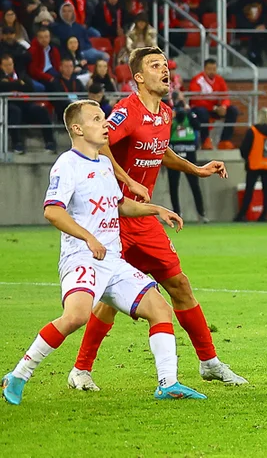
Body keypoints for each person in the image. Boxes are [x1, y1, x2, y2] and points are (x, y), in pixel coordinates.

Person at [66, 47, 246, 392]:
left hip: (144, 219)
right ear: (138, 77)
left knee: (179, 285)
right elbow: (100, 144)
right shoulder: (124, 112)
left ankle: (209, 363)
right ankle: (80, 369)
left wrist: (196, 168)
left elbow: (160, 149)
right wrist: (128, 180)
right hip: (114, 216)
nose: (164, 70)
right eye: (154, 66)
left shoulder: (164, 113)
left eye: (165, 65)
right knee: (107, 299)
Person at [2, 100, 205, 405]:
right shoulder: (67, 165)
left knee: (160, 310)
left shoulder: (105, 164)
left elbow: (119, 205)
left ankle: (168, 383)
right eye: (97, 119)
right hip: (82, 257)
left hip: (112, 260)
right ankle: (19, 374)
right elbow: (52, 212)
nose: (105, 124)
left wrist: (156, 210)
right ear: (77, 129)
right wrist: (89, 239)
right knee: (76, 316)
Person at [0, 53, 56, 152]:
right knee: (15, 111)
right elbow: (2, 87)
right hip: (8, 105)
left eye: (10, 64)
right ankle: (17, 143)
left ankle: (50, 142)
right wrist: (18, 84)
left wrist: (10, 85)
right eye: (6, 65)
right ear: (1, 66)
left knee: (41, 110)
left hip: (25, 104)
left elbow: (30, 88)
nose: (9, 67)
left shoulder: (22, 75)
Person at [235, 107, 267, 222]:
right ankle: (264, 215)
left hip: (254, 163)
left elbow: (245, 148)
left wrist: (246, 158)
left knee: (249, 190)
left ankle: (242, 214)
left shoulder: (253, 130)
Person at [167, 92, 206, 223]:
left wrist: (188, 113)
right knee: (173, 184)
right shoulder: (168, 113)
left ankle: (201, 213)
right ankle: (177, 213)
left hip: (189, 151)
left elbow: (197, 125)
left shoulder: (190, 113)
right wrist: (173, 117)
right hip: (174, 151)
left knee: (194, 183)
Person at [188, 58, 240, 149]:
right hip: (200, 108)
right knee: (202, 112)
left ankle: (224, 141)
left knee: (233, 111)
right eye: (209, 69)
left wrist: (224, 106)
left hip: (215, 108)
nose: (212, 72)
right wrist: (214, 108)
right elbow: (196, 100)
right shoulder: (197, 80)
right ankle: (205, 140)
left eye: (214, 69)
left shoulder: (219, 80)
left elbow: (225, 96)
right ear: (204, 69)